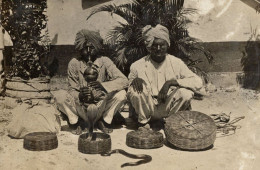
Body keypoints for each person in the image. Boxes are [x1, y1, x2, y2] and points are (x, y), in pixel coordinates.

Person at [127, 24, 203, 126]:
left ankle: (170, 122)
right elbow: (129, 93)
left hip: (167, 107)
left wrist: (171, 82)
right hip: (147, 108)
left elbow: (198, 82)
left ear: (167, 45)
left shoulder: (176, 62)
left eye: (162, 45)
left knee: (185, 93)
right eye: (155, 45)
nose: (158, 48)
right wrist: (134, 82)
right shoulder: (137, 65)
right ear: (149, 47)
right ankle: (144, 124)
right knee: (136, 90)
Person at [55, 29, 128, 134]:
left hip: (100, 107)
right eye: (85, 48)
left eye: (92, 47)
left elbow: (124, 80)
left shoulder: (105, 61)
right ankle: (75, 122)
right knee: (59, 95)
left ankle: (104, 121)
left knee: (122, 94)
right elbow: (72, 89)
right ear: (80, 48)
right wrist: (80, 95)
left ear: (97, 48)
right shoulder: (74, 63)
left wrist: (103, 86)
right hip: (81, 108)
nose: (88, 51)